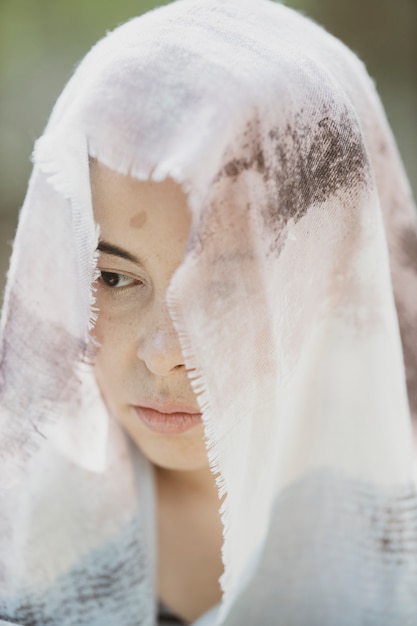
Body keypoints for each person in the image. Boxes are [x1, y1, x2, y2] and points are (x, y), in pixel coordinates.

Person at [1, 0, 417, 624]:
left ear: (335, 279)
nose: (164, 351)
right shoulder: (19, 530)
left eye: (224, 292)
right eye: (114, 277)